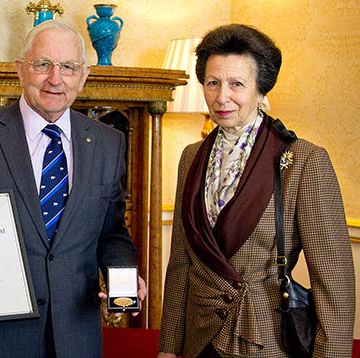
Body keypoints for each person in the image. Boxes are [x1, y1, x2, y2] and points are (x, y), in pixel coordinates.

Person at [0, 20, 147, 358]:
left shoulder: (109, 142)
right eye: (42, 64)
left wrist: (124, 278)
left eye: (68, 67)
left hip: (77, 337)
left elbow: (112, 233)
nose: (55, 79)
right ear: (20, 70)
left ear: (84, 75)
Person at [157, 24, 355, 357]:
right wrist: (168, 346)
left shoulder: (304, 160)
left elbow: (333, 282)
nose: (222, 97)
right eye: (213, 83)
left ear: (261, 91)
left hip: (262, 339)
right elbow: (181, 262)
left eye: (237, 84)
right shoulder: (191, 156)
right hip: (198, 339)